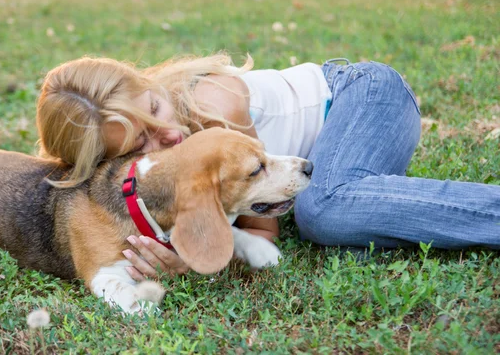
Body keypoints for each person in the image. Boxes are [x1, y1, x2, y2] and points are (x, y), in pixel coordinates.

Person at [36, 54, 500, 280]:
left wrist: (195, 255)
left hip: (365, 95)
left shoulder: (210, 104)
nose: (169, 137)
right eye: (143, 142)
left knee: (321, 213)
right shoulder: (150, 172)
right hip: (317, 159)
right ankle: (370, 213)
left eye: (155, 107)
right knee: (333, 225)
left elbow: (260, 234)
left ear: (146, 81)